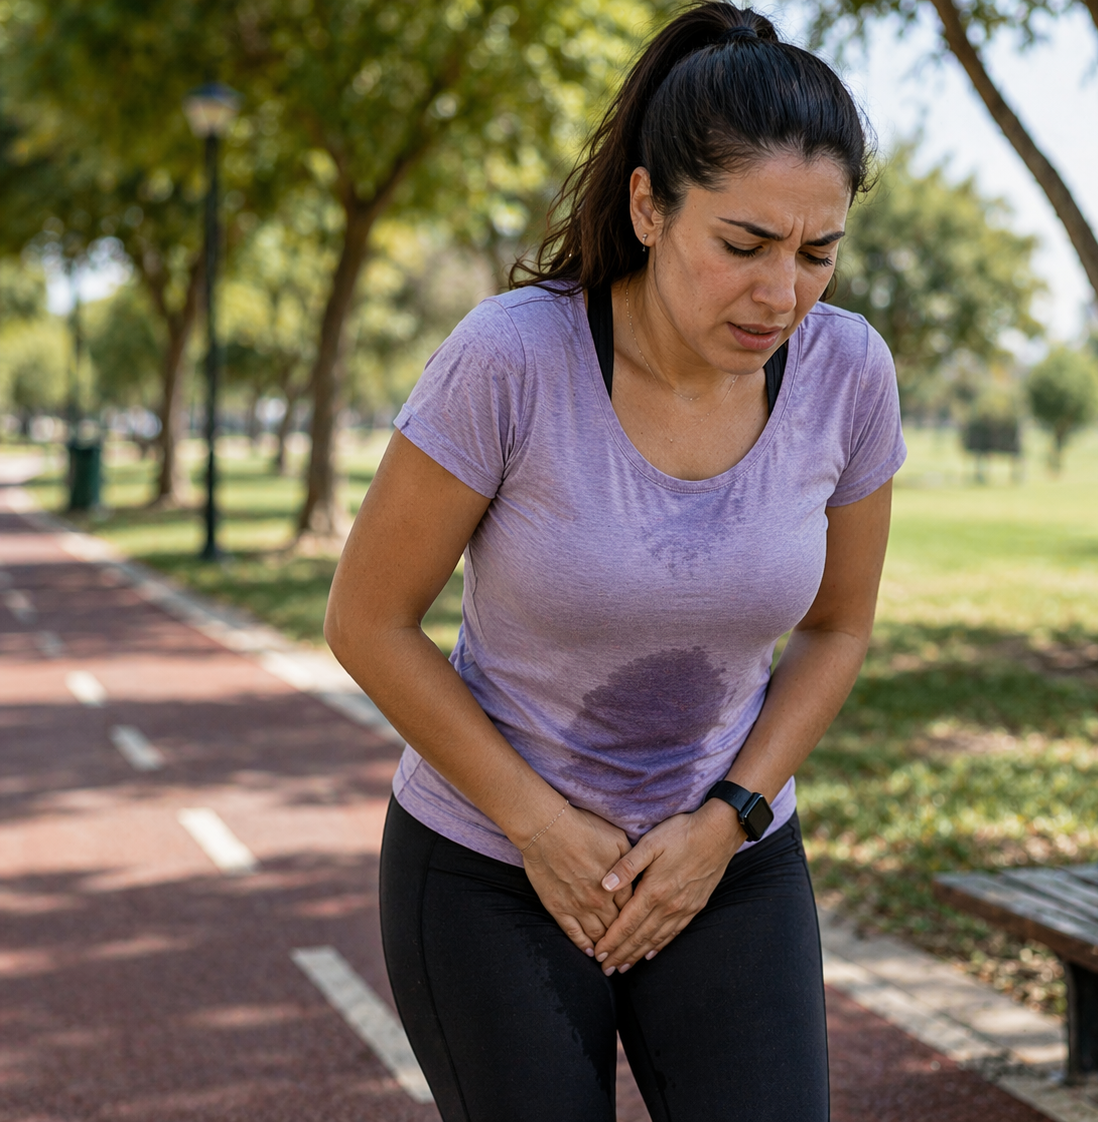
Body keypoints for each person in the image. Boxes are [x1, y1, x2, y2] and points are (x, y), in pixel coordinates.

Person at [324, 4, 905, 1118]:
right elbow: (367, 621)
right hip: (489, 872)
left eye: (817, 252)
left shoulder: (849, 373)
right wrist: (537, 826)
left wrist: (725, 818)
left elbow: (837, 628)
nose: (782, 293)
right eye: (743, 245)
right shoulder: (512, 357)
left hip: (722, 862)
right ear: (648, 205)